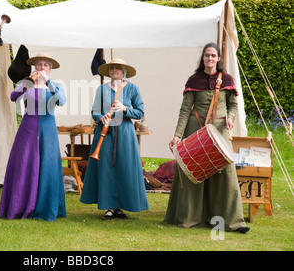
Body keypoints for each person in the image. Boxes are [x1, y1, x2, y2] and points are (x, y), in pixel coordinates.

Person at [165, 42, 249, 233]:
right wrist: (178, 135)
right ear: (202, 58)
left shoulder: (227, 79)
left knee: (226, 174)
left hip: (220, 129)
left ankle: (233, 222)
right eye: (207, 55)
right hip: (195, 128)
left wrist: (231, 118)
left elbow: (233, 105)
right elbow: (185, 110)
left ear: (218, 58)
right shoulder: (194, 80)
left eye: (213, 56)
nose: (210, 59)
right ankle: (189, 218)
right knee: (191, 172)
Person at [0, 53, 66, 221]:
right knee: (24, 164)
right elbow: (14, 97)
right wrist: (27, 83)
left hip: (48, 127)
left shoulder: (56, 85)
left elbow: (61, 101)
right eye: (38, 65)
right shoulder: (26, 83)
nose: (41, 68)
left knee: (48, 165)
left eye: (45, 65)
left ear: (50, 69)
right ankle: (20, 205)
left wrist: (48, 83)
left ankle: (46, 207)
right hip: (28, 126)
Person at [80, 58, 149, 220]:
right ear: (109, 71)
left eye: (118, 68)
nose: (115, 70)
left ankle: (121, 206)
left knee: (124, 167)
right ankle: (110, 207)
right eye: (112, 68)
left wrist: (125, 109)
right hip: (105, 133)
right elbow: (95, 111)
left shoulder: (132, 88)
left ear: (124, 72)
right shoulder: (101, 89)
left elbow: (140, 112)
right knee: (106, 169)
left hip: (125, 133)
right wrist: (100, 117)